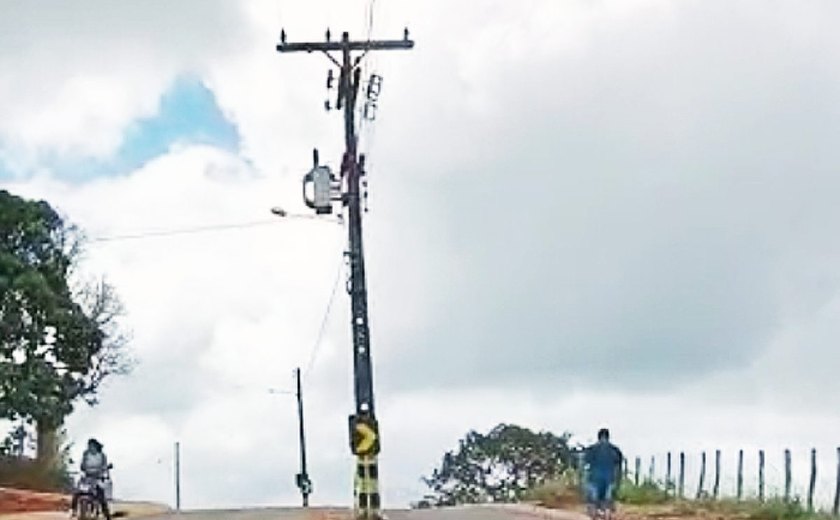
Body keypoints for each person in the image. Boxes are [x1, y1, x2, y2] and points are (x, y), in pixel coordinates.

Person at [584, 428, 623, 517]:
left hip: (594, 479)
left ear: (598, 437)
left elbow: (585, 465)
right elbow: (619, 468)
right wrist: (618, 482)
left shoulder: (592, 449)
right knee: (607, 503)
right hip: (610, 479)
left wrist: (586, 481)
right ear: (608, 437)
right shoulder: (615, 450)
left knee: (593, 503)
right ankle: (606, 515)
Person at [70, 438, 112, 520]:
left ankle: (107, 515)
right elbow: (82, 465)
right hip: (87, 476)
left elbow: (105, 466)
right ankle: (73, 510)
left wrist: (103, 472)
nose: (90, 447)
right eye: (89, 446)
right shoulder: (86, 454)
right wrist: (83, 468)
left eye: (92, 446)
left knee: (101, 495)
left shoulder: (102, 455)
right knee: (77, 491)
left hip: (98, 477)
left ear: (96, 446)